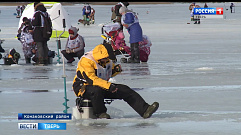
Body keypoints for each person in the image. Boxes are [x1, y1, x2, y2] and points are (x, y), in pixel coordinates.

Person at [72, 43, 159, 119]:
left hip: (101, 85)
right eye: (106, 58)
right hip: (83, 87)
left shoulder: (105, 60)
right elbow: (91, 80)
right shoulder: (86, 61)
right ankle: (100, 113)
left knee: (124, 89)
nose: (107, 60)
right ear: (101, 56)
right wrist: (109, 86)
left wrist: (115, 70)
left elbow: (107, 72)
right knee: (96, 90)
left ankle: (144, 110)